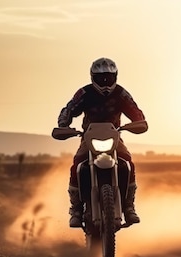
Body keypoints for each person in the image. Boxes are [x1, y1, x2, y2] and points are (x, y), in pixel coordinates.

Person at [57, 57, 148, 228]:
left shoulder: (121, 93)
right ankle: (76, 209)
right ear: (93, 77)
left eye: (109, 77)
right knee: (77, 163)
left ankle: (129, 206)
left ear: (115, 77)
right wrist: (64, 124)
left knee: (128, 162)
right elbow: (69, 108)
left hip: (114, 136)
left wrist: (138, 121)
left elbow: (135, 110)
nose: (105, 81)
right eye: (101, 78)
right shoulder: (84, 93)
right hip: (88, 137)